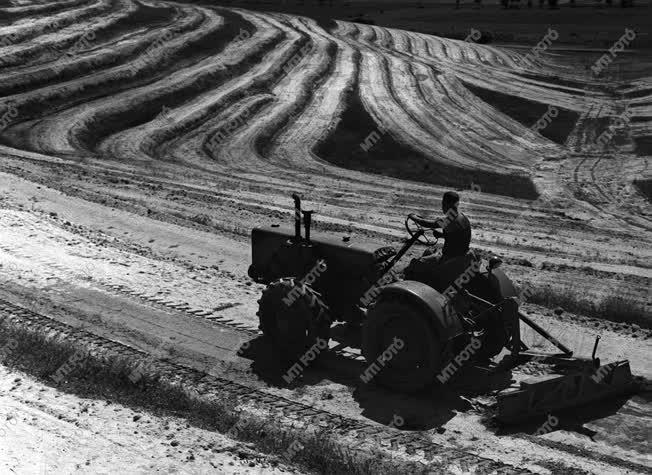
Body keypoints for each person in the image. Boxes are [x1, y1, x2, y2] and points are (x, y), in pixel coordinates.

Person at [404, 191, 472, 290]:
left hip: (450, 258)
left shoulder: (449, 219)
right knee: (428, 251)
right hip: (462, 254)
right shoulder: (462, 217)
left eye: (443, 203)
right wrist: (442, 235)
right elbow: (459, 236)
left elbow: (426, 224)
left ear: (447, 204)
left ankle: (408, 287)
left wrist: (413, 217)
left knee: (415, 264)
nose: (442, 206)